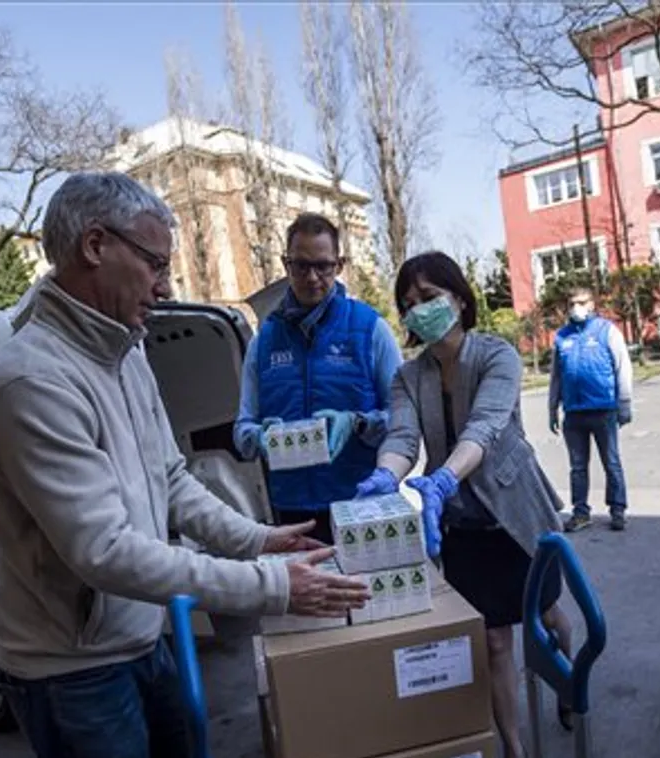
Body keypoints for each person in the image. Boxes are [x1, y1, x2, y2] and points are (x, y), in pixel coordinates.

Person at [0, 172, 369, 758]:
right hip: (71, 671)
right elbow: (102, 551)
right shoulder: (31, 381)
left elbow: (171, 479)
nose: (164, 285)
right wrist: (272, 586)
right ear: (96, 245)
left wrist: (258, 541)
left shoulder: (124, 352)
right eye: (155, 263)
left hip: (136, 636)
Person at [354, 250, 576, 758]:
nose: (418, 311)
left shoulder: (497, 355)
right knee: (493, 640)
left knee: (549, 615)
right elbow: (403, 438)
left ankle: (567, 690)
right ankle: (514, 747)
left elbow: (487, 426)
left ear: (458, 297)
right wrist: (384, 477)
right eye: (408, 304)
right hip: (461, 527)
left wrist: (444, 478)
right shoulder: (408, 377)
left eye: (429, 297)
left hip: (517, 516)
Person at [233, 213, 403, 544]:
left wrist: (358, 423)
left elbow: (403, 419)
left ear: (339, 265)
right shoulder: (263, 342)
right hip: (294, 514)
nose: (312, 277)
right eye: (301, 265)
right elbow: (242, 431)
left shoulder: (370, 330)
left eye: (323, 266)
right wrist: (262, 438)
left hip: (363, 505)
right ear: (286, 263)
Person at [548, 286, 634, 532]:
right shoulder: (562, 337)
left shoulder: (607, 331)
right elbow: (556, 376)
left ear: (592, 304)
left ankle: (618, 509)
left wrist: (624, 404)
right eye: (572, 303)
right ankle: (580, 512)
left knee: (612, 462)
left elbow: (623, 367)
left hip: (603, 410)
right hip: (573, 413)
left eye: (582, 302)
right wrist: (552, 408)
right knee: (577, 467)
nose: (577, 307)